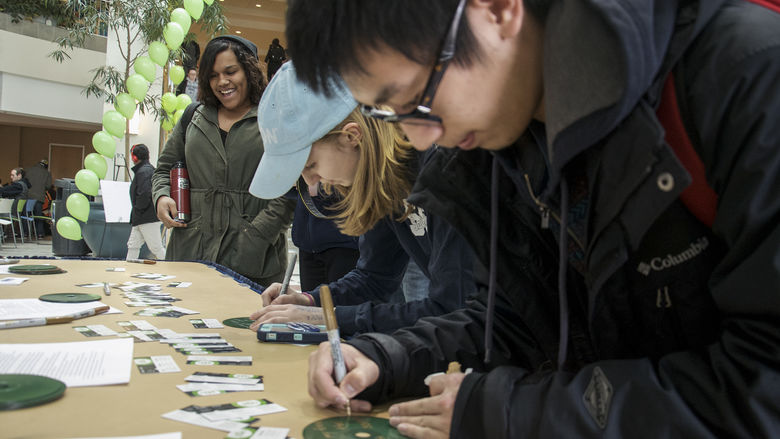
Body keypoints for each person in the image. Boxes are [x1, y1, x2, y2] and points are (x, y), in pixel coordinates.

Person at [285, 0, 780, 437]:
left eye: (416, 98)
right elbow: (515, 318)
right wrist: (387, 357)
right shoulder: (506, 135)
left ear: (498, 10)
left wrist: (514, 412)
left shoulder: (748, 75)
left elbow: (762, 390)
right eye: (391, 115)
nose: (418, 139)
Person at [247, 62, 476, 336]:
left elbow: (453, 308)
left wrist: (327, 317)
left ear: (351, 136)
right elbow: (374, 278)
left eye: (311, 165)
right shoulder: (386, 179)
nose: (312, 183)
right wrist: (310, 300)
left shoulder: (444, 168)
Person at [152, 35, 295, 286]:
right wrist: (162, 196)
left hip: (254, 258)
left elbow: (289, 190)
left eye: (231, 72)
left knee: (241, 323)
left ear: (249, 71)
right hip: (190, 251)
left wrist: (257, 236)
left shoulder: (274, 118)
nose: (222, 82)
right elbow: (165, 168)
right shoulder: (193, 117)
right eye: (213, 75)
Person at [291, 190, 360, 292]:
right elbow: (292, 193)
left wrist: (318, 187)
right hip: (307, 243)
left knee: (343, 304)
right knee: (309, 304)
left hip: (343, 241)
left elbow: (354, 186)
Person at [126, 144, 165, 260]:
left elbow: (144, 193)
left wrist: (138, 209)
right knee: (133, 245)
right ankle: (129, 269)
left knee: (156, 248)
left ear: (134, 158)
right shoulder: (146, 170)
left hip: (146, 217)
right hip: (142, 216)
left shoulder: (144, 172)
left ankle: (172, 267)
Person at [25, 159, 52, 238]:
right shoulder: (47, 173)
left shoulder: (28, 170)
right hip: (39, 197)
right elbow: (48, 186)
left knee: (27, 215)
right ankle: (39, 233)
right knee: (38, 216)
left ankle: (26, 233)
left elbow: (25, 182)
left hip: (28, 197)